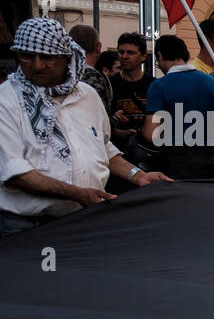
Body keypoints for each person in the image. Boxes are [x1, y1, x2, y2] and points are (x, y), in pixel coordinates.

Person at [0, 19, 170, 235]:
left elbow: (103, 147)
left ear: (66, 57)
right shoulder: (6, 99)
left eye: (47, 57)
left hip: (84, 219)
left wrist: (137, 175)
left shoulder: (87, 95)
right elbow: (14, 172)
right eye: (26, 56)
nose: (36, 65)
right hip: (27, 225)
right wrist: (77, 194)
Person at [141, 34, 214, 180]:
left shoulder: (159, 86)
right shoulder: (212, 82)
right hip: (210, 161)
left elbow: (150, 134)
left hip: (176, 164)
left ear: (160, 55)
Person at [108, 31, 152, 155]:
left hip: (148, 152)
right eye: (121, 52)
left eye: (131, 52)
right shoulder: (109, 85)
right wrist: (115, 131)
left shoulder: (154, 85)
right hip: (117, 153)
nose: (124, 56)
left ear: (143, 56)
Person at [68, 24, 112, 115]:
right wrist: (117, 119)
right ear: (99, 47)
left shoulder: (65, 73)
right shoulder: (92, 76)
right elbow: (97, 116)